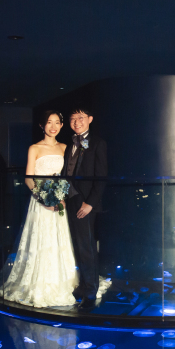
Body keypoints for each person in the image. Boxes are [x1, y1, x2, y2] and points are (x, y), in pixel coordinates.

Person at [0, 110, 79, 307]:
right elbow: (29, 178)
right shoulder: (35, 148)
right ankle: (39, 282)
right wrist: (44, 198)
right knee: (41, 239)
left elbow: (68, 177)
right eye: (49, 122)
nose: (53, 126)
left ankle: (62, 281)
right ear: (42, 125)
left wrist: (61, 196)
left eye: (57, 122)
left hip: (59, 202)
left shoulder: (65, 147)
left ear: (62, 125)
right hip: (41, 201)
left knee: (59, 239)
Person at [63, 108, 108, 310]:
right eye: (73, 118)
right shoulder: (70, 144)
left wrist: (90, 203)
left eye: (81, 118)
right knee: (77, 244)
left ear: (90, 119)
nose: (77, 122)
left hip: (86, 203)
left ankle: (90, 291)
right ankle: (83, 285)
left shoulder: (98, 143)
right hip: (71, 199)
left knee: (87, 247)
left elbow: (101, 176)